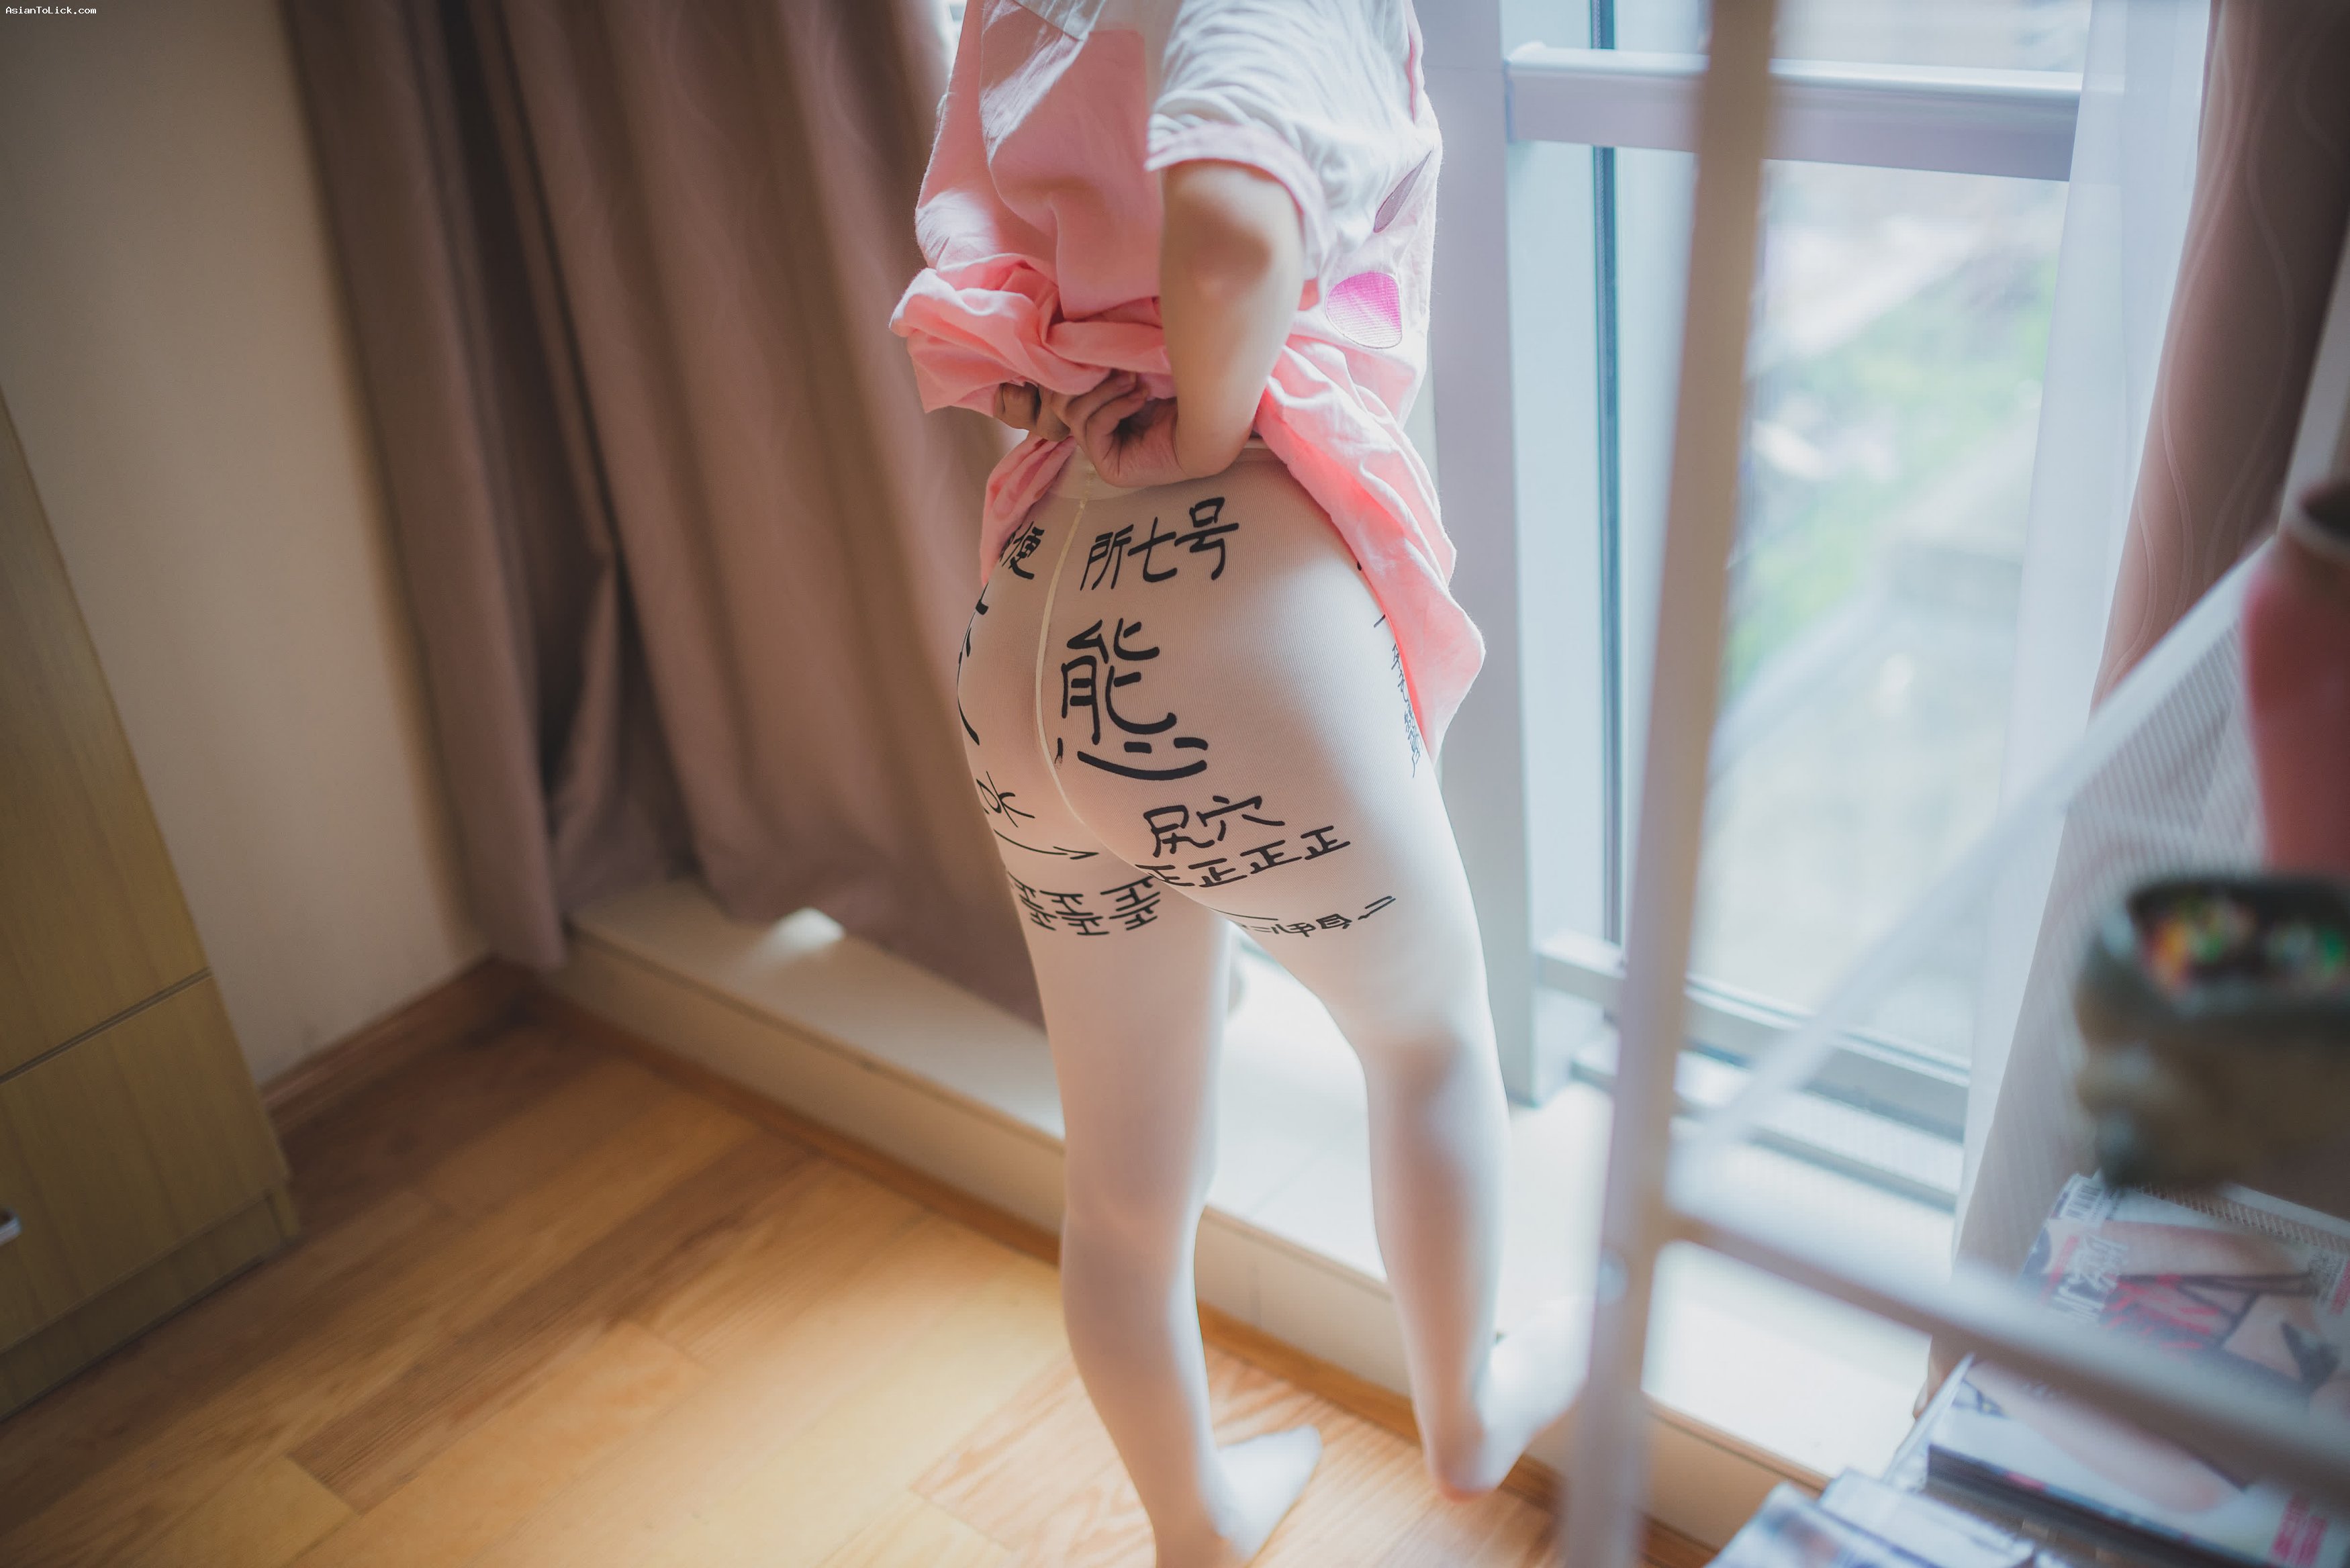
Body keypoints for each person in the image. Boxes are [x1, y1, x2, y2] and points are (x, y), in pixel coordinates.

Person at [892, 3, 1581, 1561]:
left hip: (1030, 617)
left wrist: (1071, 390)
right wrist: (1207, 429)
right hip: (1233, 590)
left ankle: (1192, 1520)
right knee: (1422, 1036)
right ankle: (1464, 1415)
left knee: (1121, 1186)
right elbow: (1224, 238)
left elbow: (982, 281)